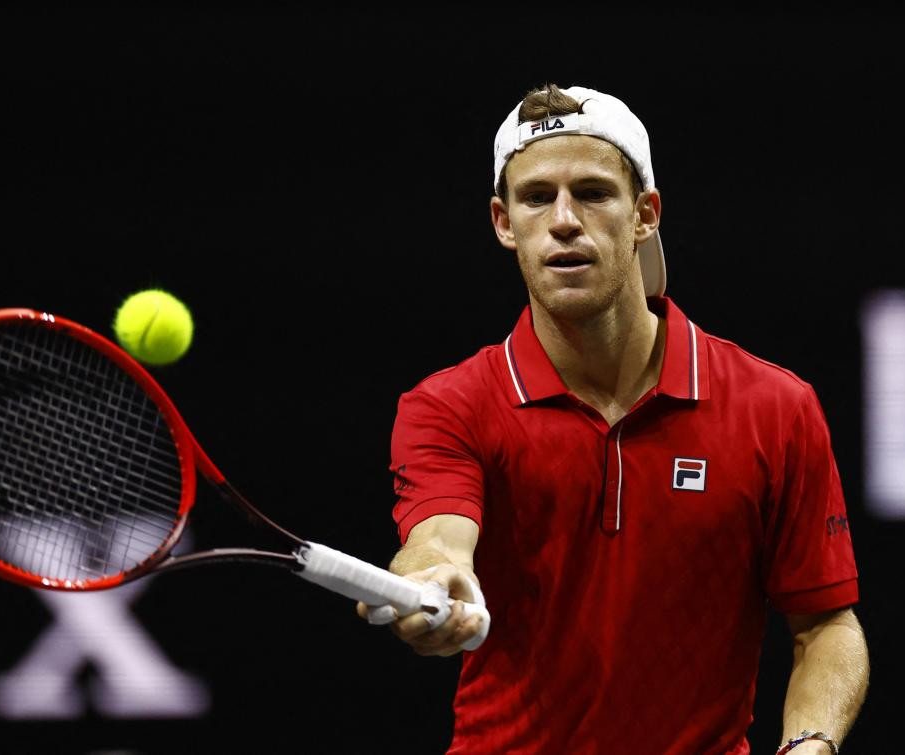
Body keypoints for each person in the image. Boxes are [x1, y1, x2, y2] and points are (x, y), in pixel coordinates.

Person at [358, 83, 869, 754]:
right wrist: (434, 576)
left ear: (645, 214)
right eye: (537, 197)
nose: (564, 220)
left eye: (594, 193)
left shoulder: (774, 406)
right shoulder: (449, 406)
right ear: (503, 222)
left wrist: (810, 742)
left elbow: (827, 623)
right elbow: (439, 542)